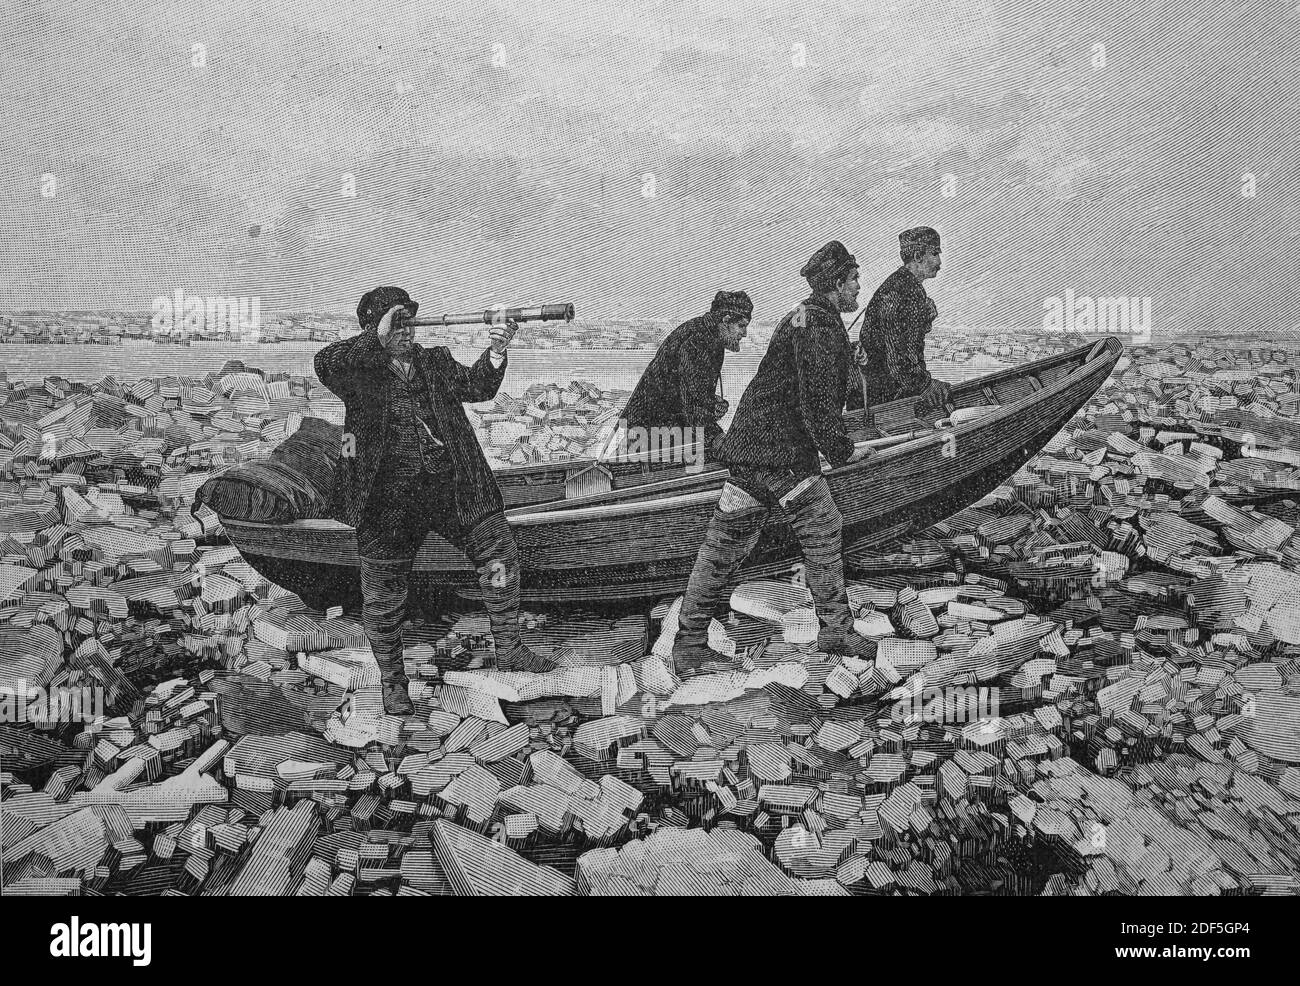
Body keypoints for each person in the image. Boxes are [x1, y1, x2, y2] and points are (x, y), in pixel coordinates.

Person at [315, 286, 555, 716]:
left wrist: (496, 352)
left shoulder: (435, 361)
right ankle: (392, 683)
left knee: (498, 557)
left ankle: (511, 648)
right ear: (375, 329)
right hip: (386, 499)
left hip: (451, 489)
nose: (408, 331)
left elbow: (479, 387)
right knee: (383, 596)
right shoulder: (355, 370)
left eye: (409, 321)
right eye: (397, 323)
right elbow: (324, 362)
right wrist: (378, 339)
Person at [670, 242, 878, 677]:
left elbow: (808, 377)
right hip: (780, 454)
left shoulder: (805, 317)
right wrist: (843, 452)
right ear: (837, 283)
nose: (860, 286)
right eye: (855, 279)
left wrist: (846, 358)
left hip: (752, 449)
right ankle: (836, 630)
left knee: (721, 546)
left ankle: (687, 646)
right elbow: (816, 403)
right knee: (822, 524)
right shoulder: (817, 324)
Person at [620, 290, 751, 458]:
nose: (745, 333)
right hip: (648, 433)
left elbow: (692, 393)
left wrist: (710, 403)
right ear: (726, 321)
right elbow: (692, 403)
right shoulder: (698, 341)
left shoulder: (711, 336)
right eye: (742, 326)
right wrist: (717, 439)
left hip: (665, 429)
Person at [846, 226, 951, 414]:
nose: (939, 262)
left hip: (890, 392)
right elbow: (897, 357)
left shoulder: (906, 286)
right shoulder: (901, 291)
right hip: (878, 403)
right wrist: (926, 385)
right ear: (918, 256)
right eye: (935, 253)